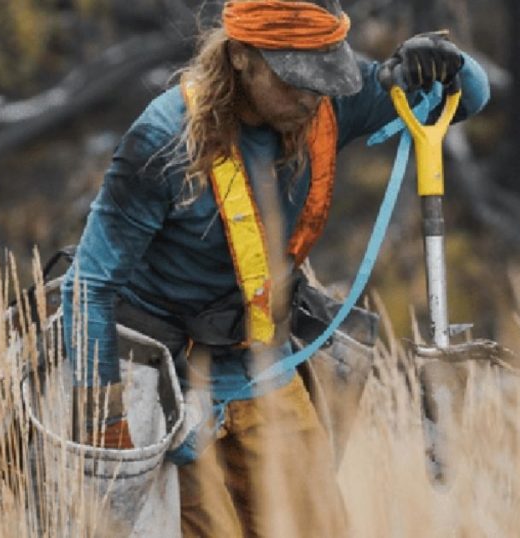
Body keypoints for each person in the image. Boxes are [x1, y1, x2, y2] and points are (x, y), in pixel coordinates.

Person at [62, 0, 490, 535]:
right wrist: (108, 422)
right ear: (242, 56)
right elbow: (89, 286)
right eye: (296, 81)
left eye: (323, 78)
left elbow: (468, 98)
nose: (312, 96)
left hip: (265, 366)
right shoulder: (162, 140)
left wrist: (448, 63)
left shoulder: (330, 100)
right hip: (172, 379)